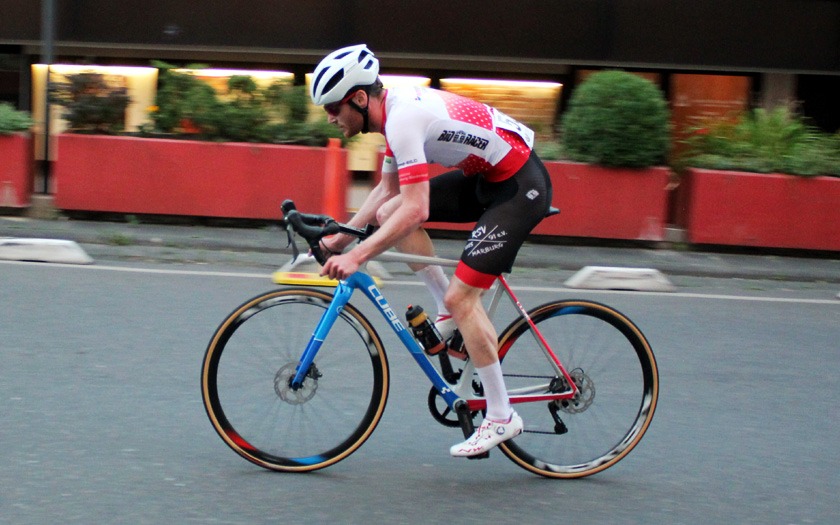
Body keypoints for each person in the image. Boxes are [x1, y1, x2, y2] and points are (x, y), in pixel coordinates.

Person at [310, 44, 553, 457]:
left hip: (518, 186)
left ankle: (501, 415)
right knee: (389, 211)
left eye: (334, 107)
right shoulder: (392, 114)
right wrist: (338, 239)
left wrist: (357, 256)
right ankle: (446, 312)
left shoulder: (402, 120)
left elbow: (417, 208)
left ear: (360, 99)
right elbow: (387, 192)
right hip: (486, 178)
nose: (331, 117)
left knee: (463, 297)